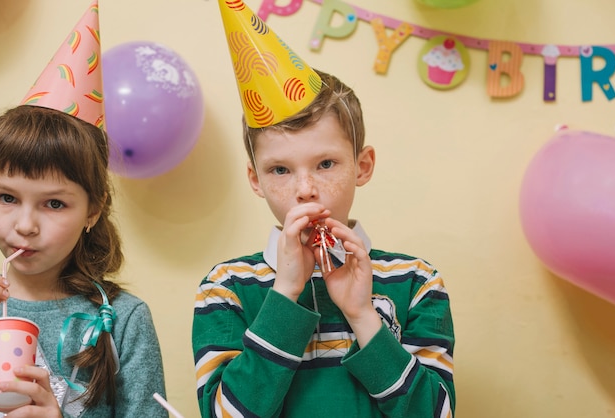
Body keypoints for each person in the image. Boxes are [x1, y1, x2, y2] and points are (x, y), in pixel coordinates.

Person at [192, 2, 455, 416]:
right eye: (280, 169)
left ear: (362, 166)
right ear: (255, 180)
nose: (305, 190)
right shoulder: (226, 288)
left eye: (326, 164)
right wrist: (285, 296)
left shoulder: (417, 282)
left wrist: (362, 314)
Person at [0, 104, 168, 418]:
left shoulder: (123, 320)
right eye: (7, 198)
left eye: (54, 203)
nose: (25, 225)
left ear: (93, 210)